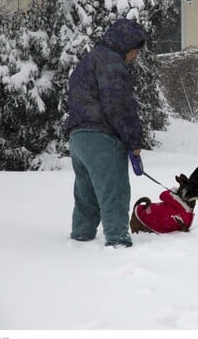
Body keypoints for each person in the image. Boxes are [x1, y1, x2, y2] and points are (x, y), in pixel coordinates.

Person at [65, 18, 147, 248]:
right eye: (136, 51)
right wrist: (133, 141)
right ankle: (118, 241)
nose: (135, 57)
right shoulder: (111, 63)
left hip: (78, 138)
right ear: (127, 46)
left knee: (86, 193)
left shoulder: (88, 60)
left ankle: (81, 236)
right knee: (114, 191)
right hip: (102, 138)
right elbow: (119, 105)